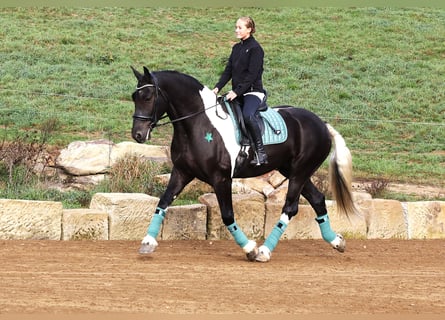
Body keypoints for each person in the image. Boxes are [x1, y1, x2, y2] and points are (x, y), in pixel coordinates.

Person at [213, 16, 268, 166]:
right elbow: (228, 71)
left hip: (252, 92)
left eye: (240, 27)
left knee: (248, 115)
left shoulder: (256, 49)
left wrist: (236, 92)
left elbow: (251, 76)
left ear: (249, 29)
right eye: (236, 27)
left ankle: (261, 152)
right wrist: (217, 87)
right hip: (237, 92)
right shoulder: (236, 48)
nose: (236, 30)